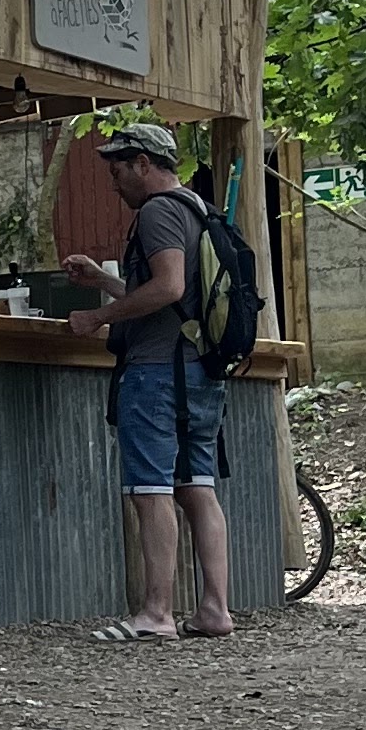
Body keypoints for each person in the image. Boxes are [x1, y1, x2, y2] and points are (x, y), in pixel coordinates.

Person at [64, 120, 232, 641]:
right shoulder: (198, 209)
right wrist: (104, 280)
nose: (114, 185)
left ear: (142, 164)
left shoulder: (158, 211)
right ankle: (214, 610)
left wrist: (98, 317)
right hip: (200, 369)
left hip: (158, 372)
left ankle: (156, 613)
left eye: (117, 172)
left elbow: (168, 288)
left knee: (149, 489)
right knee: (197, 487)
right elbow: (173, 294)